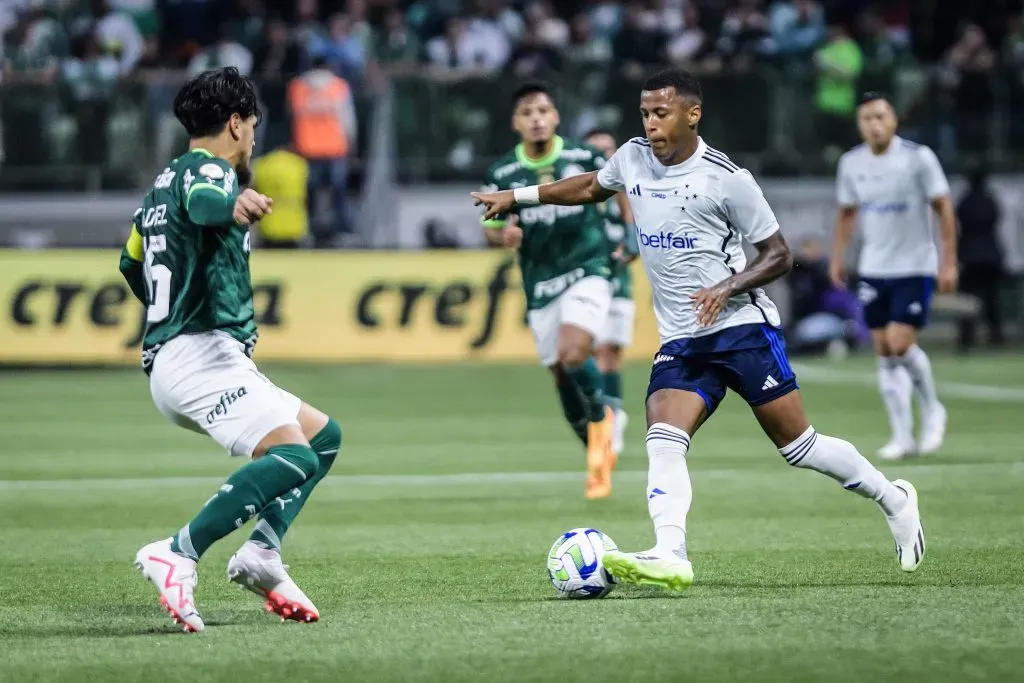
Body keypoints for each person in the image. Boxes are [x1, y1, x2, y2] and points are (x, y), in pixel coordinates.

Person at [472, 68, 925, 592]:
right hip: (682, 339)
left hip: (741, 328)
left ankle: (894, 498)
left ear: (692, 114)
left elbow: (778, 256)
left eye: (661, 113)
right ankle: (670, 551)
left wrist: (726, 288)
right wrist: (520, 197)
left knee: (799, 446)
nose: (651, 123)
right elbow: (591, 187)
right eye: (644, 113)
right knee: (663, 437)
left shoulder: (727, 178)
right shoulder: (633, 156)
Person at [119, 68, 341, 632]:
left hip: (188, 354)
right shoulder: (210, 173)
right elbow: (204, 205)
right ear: (238, 124)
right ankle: (179, 550)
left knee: (322, 437)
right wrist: (233, 206)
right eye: (254, 127)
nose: (253, 139)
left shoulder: (157, 187)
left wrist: (169, 314)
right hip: (199, 355)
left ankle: (262, 554)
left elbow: (128, 261)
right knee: (295, 458)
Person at [480, 82, 618, 499]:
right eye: (528, 112)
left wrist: (626, 236)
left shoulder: (584, 157)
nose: (537, 118)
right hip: (540, 282)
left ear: (556, 116)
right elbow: (489, 230)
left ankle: (603, 421)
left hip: (588, 267)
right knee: (560, 372)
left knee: (575, 352)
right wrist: (502, 238)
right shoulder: (504, 172)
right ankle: (595, 448)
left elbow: (617, 192)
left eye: (543, 109)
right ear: (516, 122)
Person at [829, 93, 958, 460]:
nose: (874, 124)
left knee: (900, 343)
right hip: (874, 267)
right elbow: (846, 214)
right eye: (867, 118)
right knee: (884, 349)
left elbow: (944, 207)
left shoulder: (918, 159)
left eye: (880, 116)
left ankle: (933, 409)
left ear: (894, 120)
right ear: (859, 124)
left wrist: (949, 262)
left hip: (915, 265)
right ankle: (902, 435)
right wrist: (838, 258)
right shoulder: (851, 163)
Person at [584, 128, 639, 456]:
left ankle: (612, 418)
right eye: (596, 149)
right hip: (588, 280)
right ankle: (604, 414)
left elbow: (639, 237)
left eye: (608, 148)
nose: (603, 155)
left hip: (618, 282)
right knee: (591, 354)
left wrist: (629, 246)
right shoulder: (581, 193)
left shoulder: (627, 192)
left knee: (610, 353)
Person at [956, 168, 1005, 350]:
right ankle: (996, 333)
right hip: (990, 255)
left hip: (970, 256)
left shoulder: (966, 202)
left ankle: (967, 336)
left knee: (968, 299)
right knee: (991, 298)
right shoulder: (989, 201)